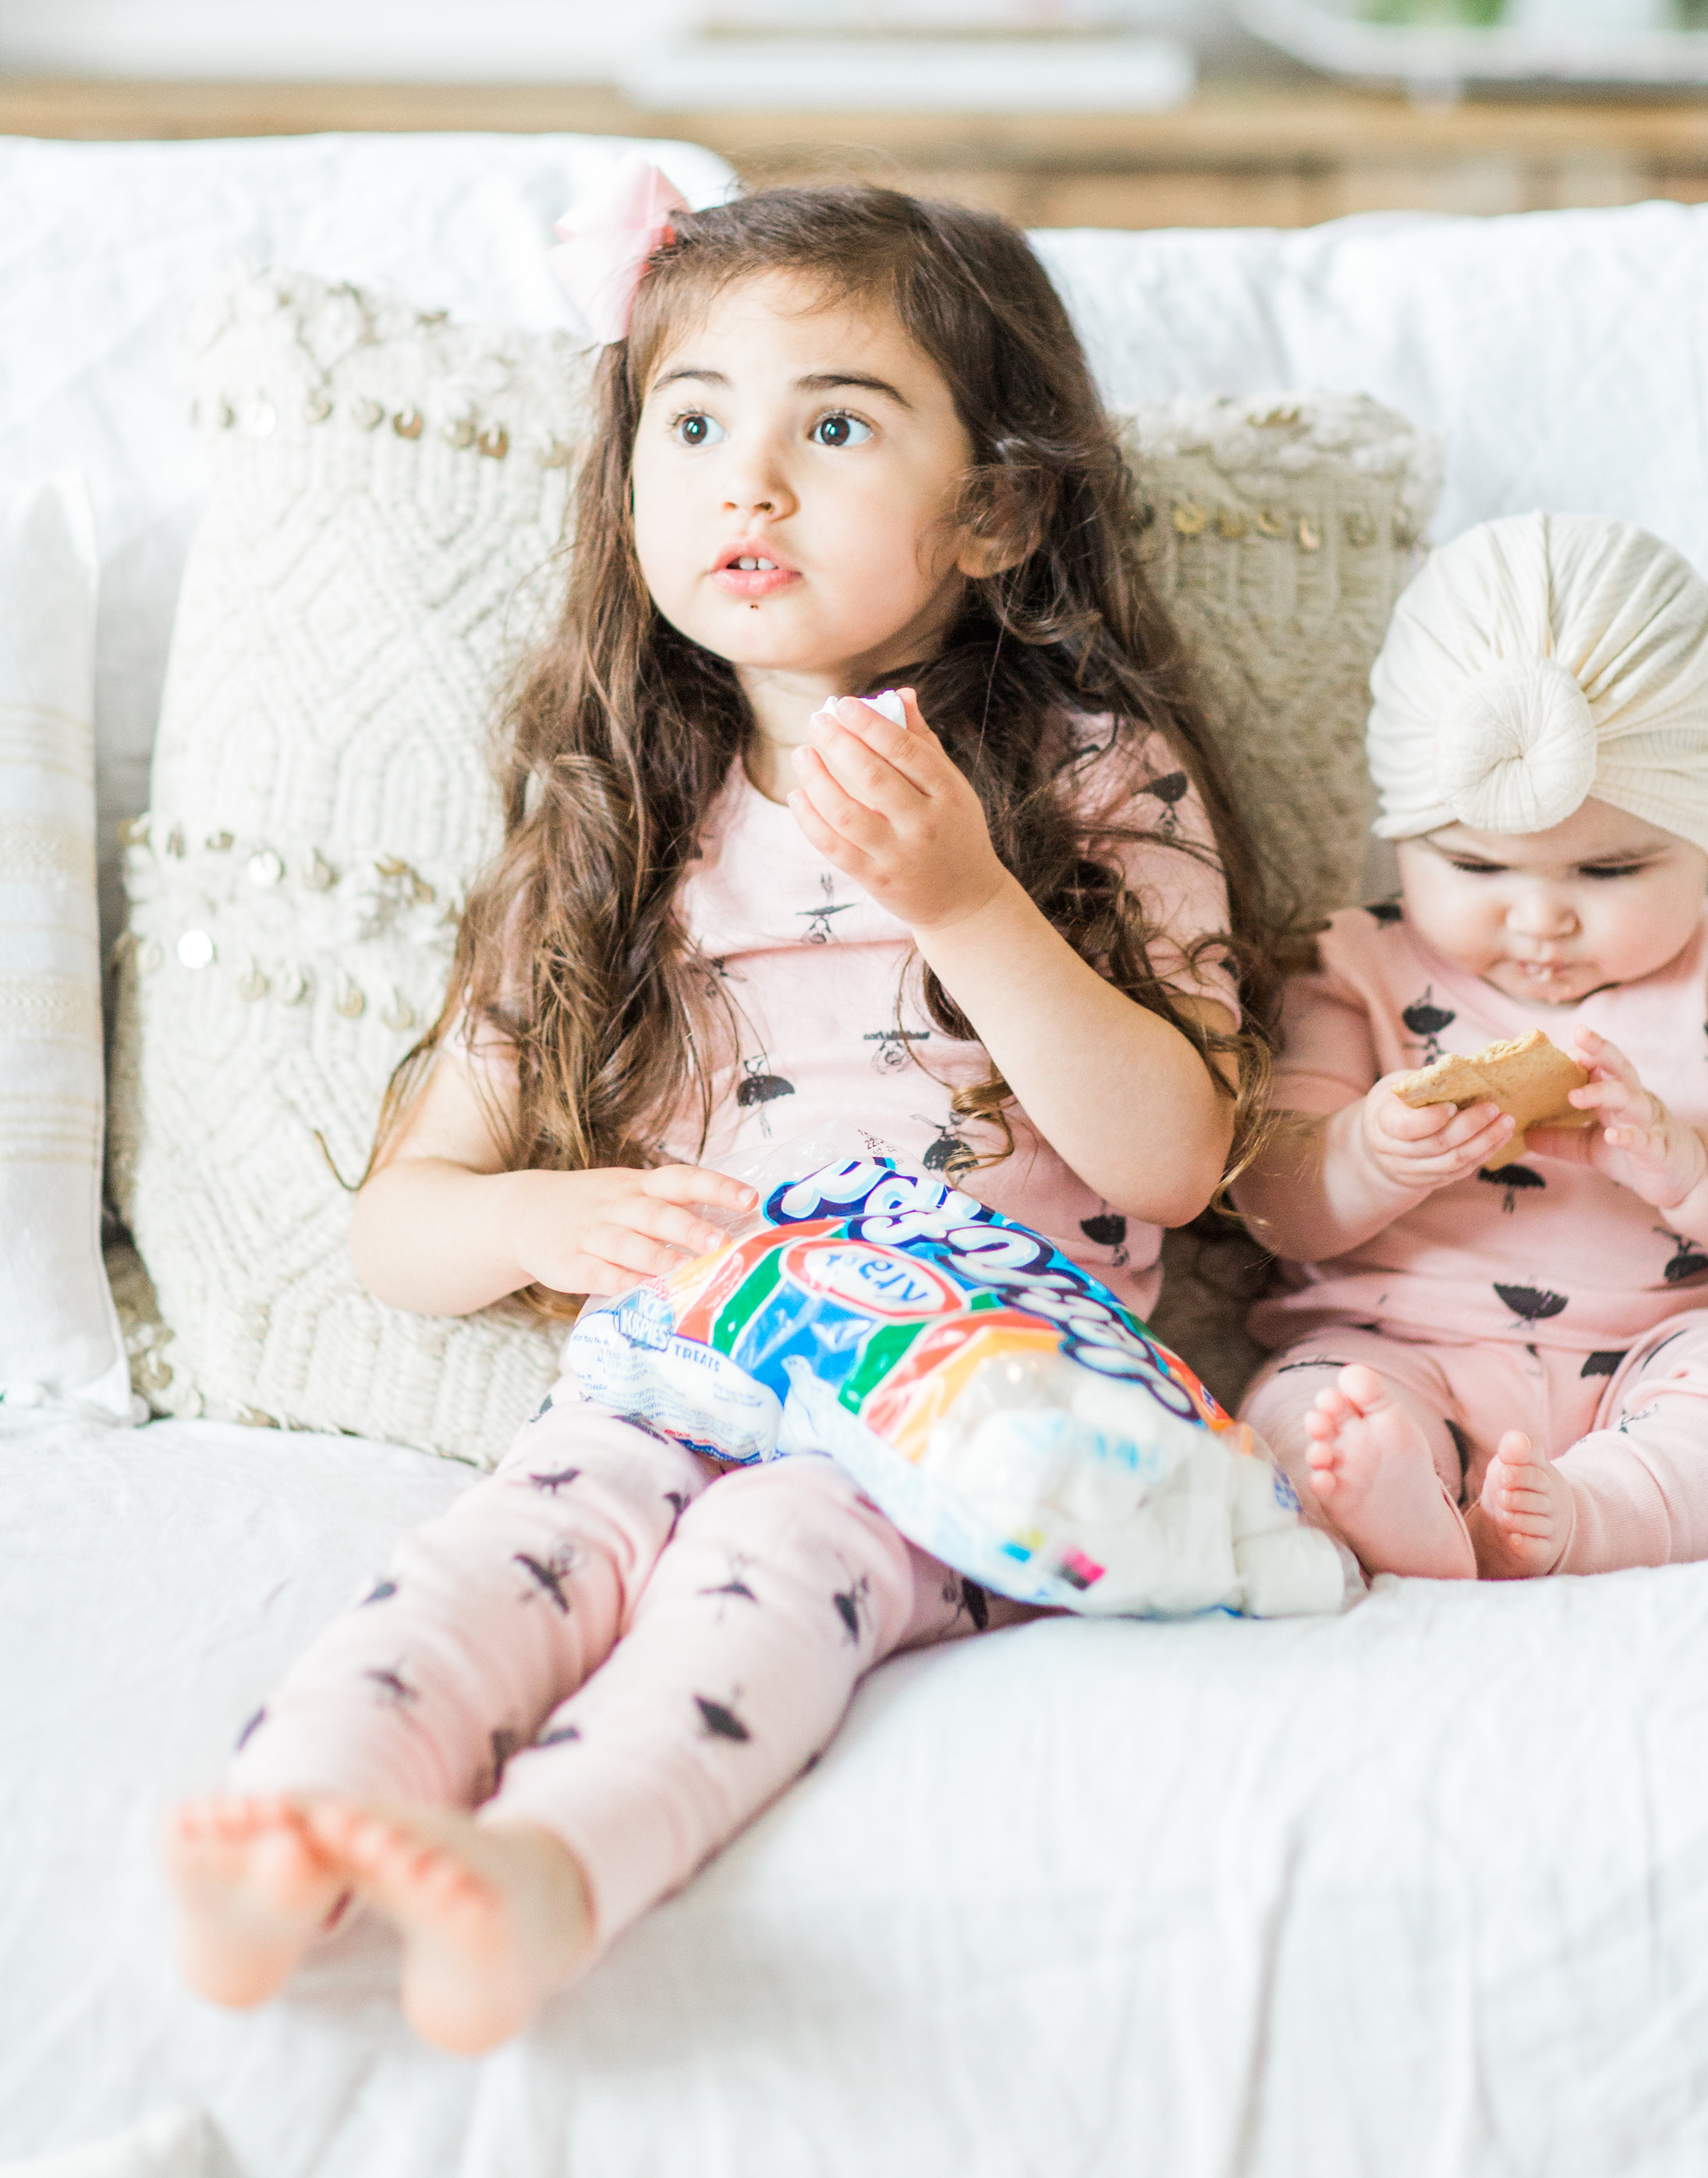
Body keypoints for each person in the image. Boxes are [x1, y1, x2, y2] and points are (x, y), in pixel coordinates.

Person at [161, 169, 1277, 2052]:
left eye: (833, 424)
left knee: (772, 1576)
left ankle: (554, 1869)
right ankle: (306, 1807)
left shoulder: (1089, 778)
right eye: (694, 424)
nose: (746, 481)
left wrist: (970, 905)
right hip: (683, 1358)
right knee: (495, 1566)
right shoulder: (610, 831)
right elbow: (401, 1222)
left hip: (959, 1393)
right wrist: (535, 1220)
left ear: (993, 511)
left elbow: (1175, 1155)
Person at [1235, 511, 1708, 1586]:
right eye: (1478, 869)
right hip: (1398, 1351)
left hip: (1660, 1359)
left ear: (1704, 838)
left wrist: (1693, 1165)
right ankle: (1403, 1511)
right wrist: (1370, 1153)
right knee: (1300, 1408)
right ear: (1400, 838)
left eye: (1611, 871)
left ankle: (1596, 1516)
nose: (1541, 921)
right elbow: (1271, 1201)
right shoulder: (1354, 967)